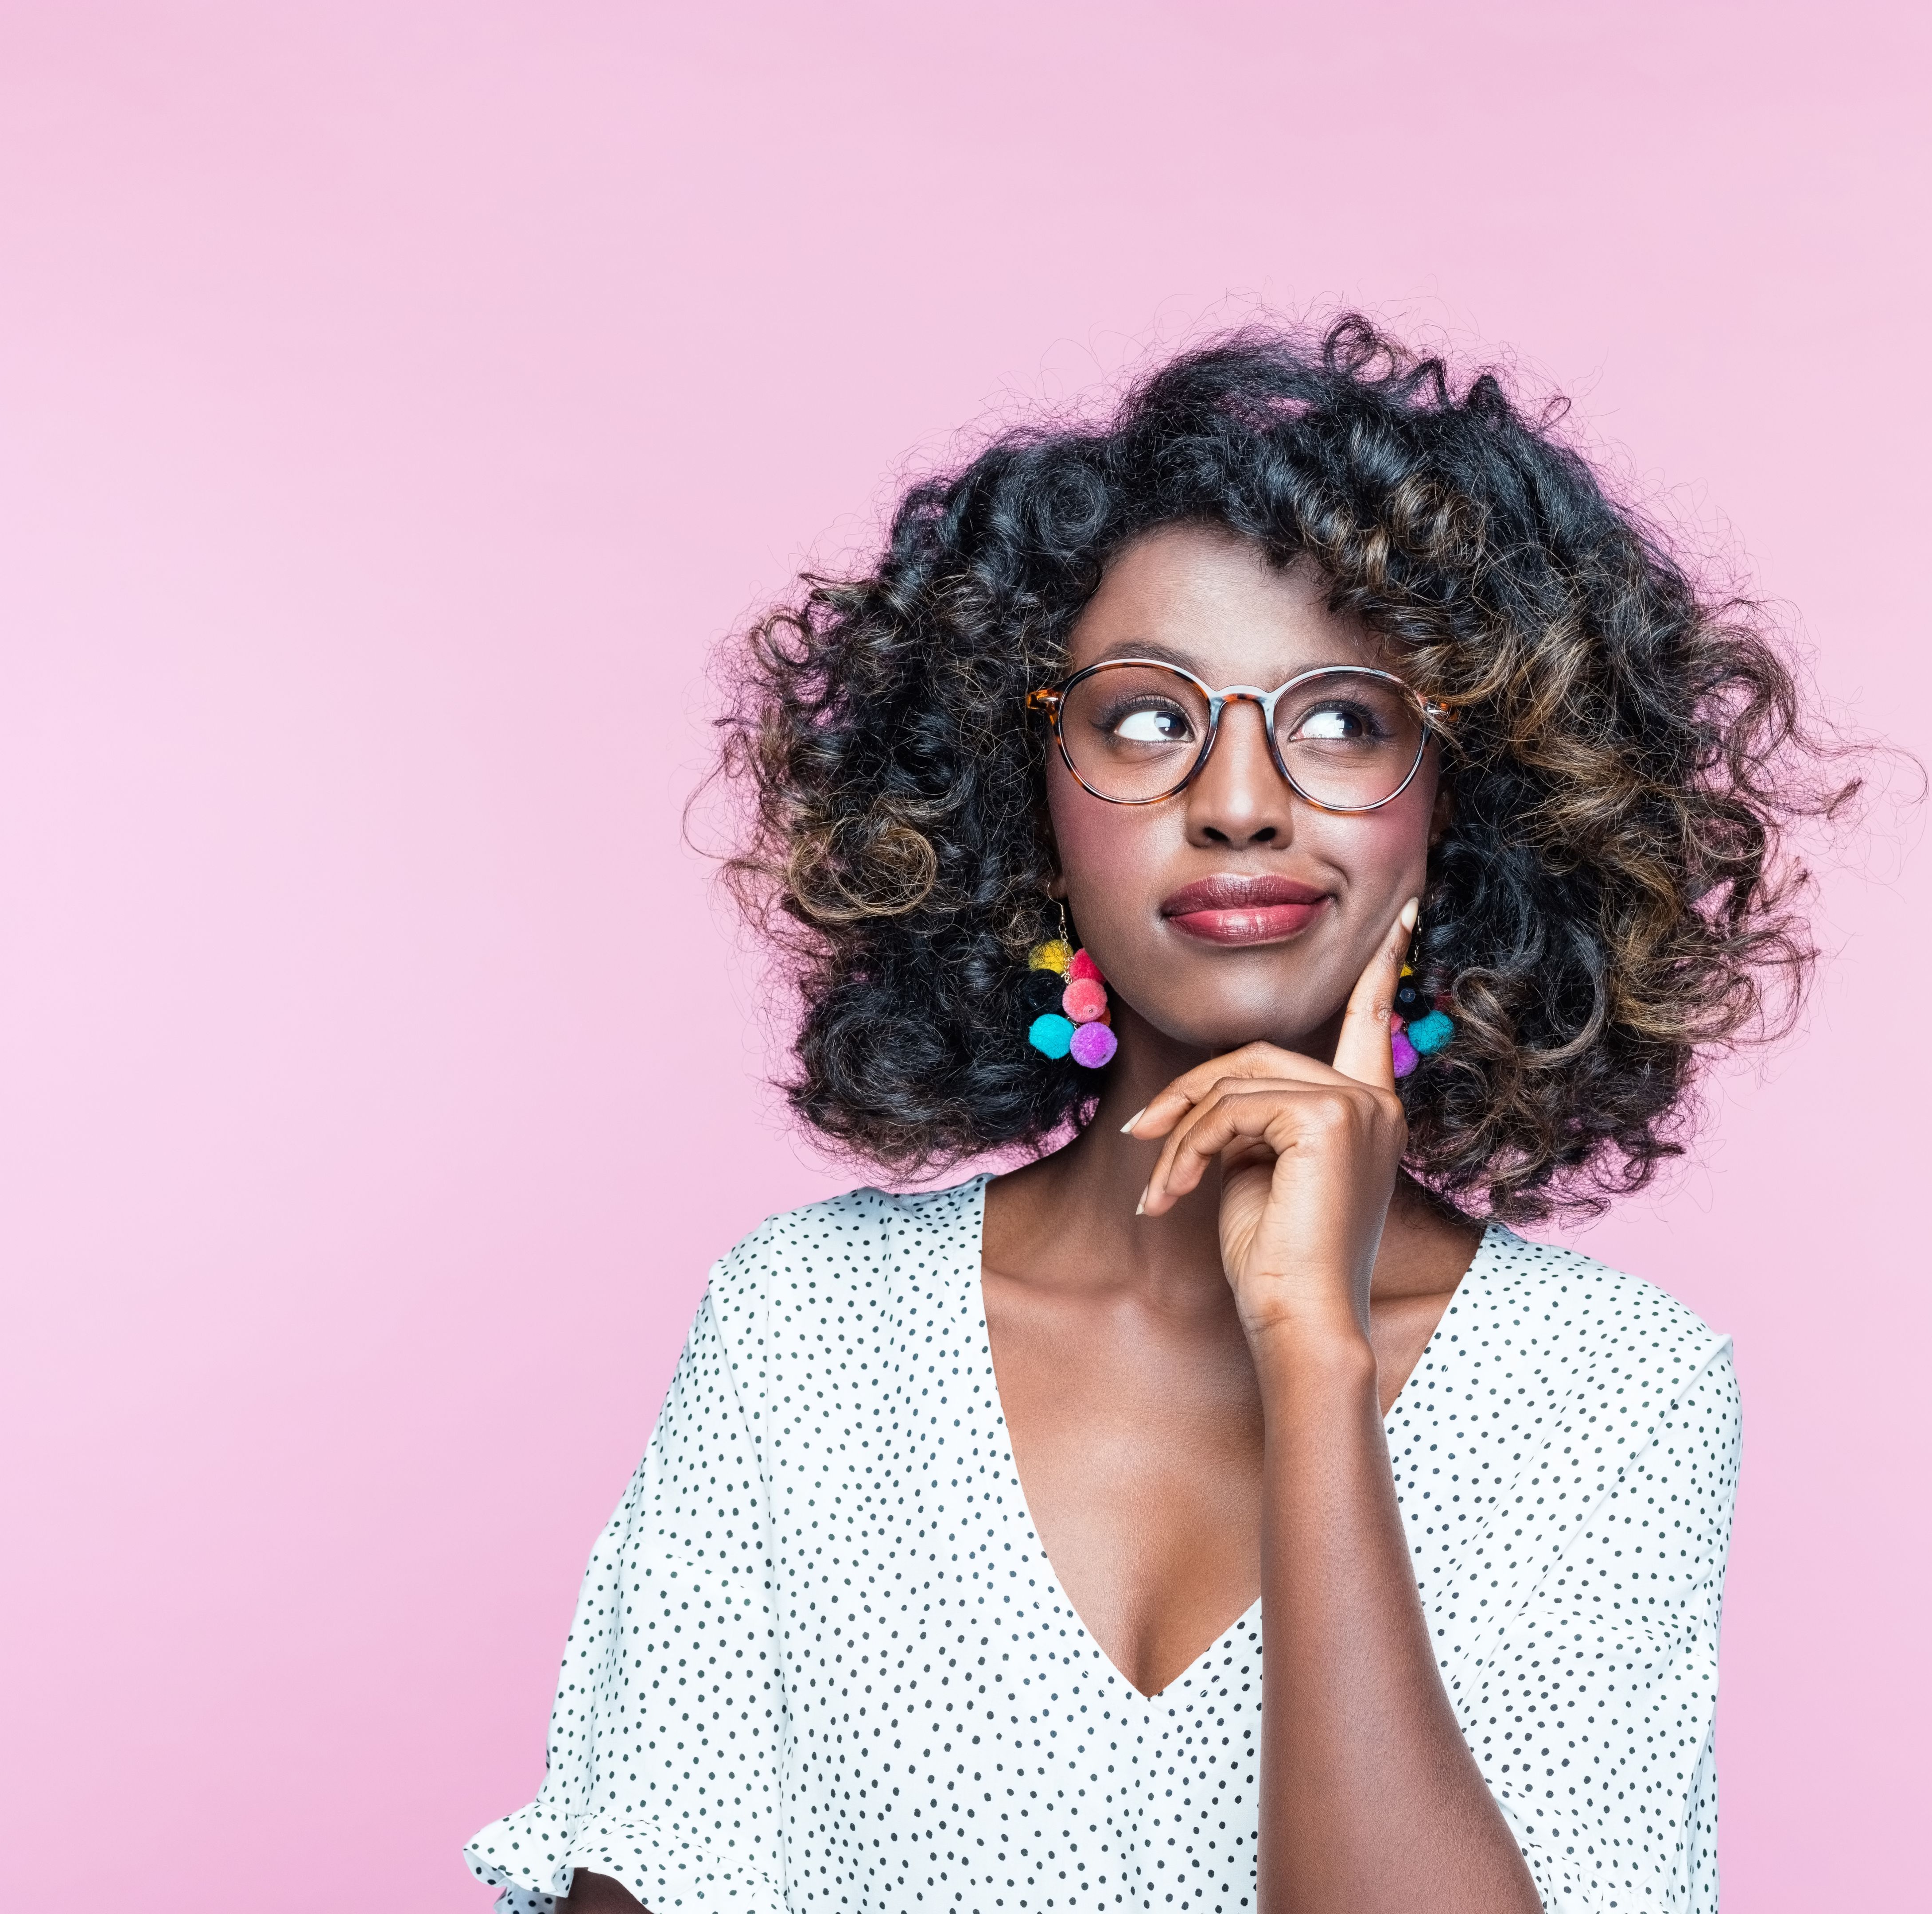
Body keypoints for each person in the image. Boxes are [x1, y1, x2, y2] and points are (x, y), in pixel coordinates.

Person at [466, 318, 1848, 1913]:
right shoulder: (805, 1333)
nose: (1241, 799)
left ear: (1461, 805)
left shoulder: (1613, 1399)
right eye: (1144, 718)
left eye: (1344, 720)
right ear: (1024, 799)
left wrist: (1314, 1368)